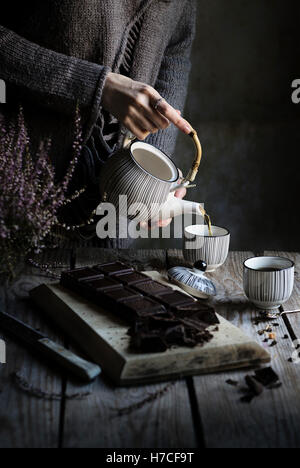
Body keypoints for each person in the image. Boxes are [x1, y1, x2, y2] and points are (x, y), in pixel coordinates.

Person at [0, 0, 197, 247]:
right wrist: (96, 86)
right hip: (18, 192)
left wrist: (155, 161)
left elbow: (175, 51)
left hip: (115, 222)